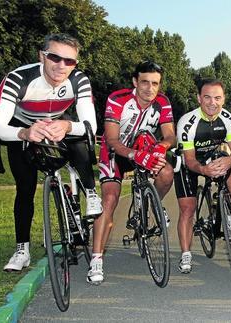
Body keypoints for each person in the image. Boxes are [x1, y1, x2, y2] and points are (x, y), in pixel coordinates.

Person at [0, 33, 102, 272]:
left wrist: (66, 126)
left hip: (58, 121)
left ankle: (90, 192)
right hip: (21, 125)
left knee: (79, 140)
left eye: (70, 61)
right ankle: (22, 250)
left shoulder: (79, 80)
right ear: (42, 56)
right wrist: (24, 133)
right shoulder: (18, 78)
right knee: (25, 188)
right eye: (55, 57)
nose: (61, 66)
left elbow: (90, 126)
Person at [87, 61, 175, 285]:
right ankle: (96, 259)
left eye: (155, 83)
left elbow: (170, 136)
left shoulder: (163, 102)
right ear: (135, 82)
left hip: (143, 148)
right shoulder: (118, 99)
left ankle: (151, 204)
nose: (150, 88)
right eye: (145, 82)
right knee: (109, 198)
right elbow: (113, 139)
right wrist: (135, 156)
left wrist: (160, 147)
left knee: (166, 173)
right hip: (117, 153)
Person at [174, 78, 231, 274]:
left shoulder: (229, 119)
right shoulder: (187, 122)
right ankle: (186, 253)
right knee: (188, 208)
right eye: (207, 97)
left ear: (223, 99)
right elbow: (190, 160)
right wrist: (204, 171)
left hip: (214, 155)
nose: (213, 102)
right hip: (190, 161)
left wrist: (229, 160)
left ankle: (227, 218)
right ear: (199, 98)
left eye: (217, 98)